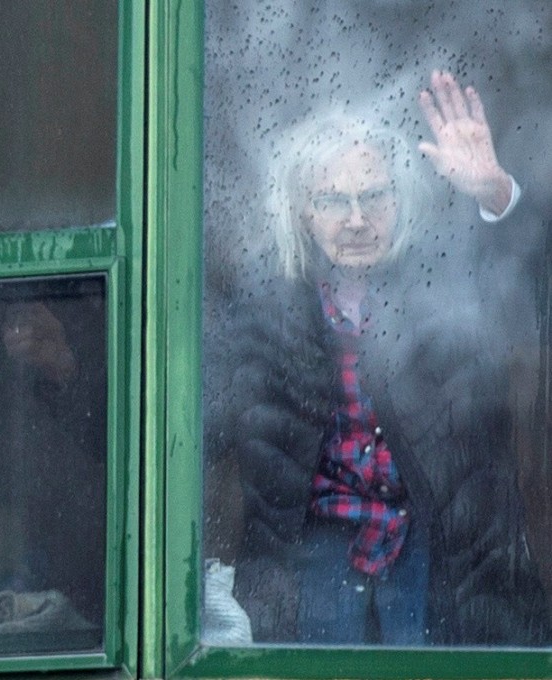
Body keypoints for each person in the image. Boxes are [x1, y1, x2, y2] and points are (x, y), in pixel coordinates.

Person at [206, 70, 551, 645]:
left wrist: (496, 193)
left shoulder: (449, 281)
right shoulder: (262, 312)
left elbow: (531, 292)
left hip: (446, 558)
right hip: (311, 564)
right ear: (302, 214)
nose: (357, 219)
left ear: (403, 199)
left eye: (374, 196)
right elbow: (187, 429)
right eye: (333, 201)